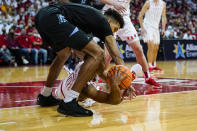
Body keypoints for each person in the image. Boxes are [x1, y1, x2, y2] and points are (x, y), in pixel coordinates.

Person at [35, 2, 125, 117]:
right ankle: (69, 102)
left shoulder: (88, 21)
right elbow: (116, 55)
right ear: (110, 22)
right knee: (97, 53)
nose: (113, 33)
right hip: (54, 16)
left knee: (63, 54)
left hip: (42, 17)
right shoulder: (103, 21)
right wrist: (125, 80)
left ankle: (45, 95)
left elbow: (81, 53)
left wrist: (112, 81)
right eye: (115, 29)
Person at [100, 0, 160, 87]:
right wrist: (114, 3)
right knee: (108, 54)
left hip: (124, 18)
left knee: (138, 49)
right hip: (110, 17)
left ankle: (148, 77)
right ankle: (100, 79)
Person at [55, 62, 141, 111]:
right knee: (103, 88)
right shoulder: (88, 89)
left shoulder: (88, 65)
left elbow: (105, 74)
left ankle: (129, 76)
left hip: (64, 87)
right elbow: (114, 101)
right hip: (67, 94)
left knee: (106, 82)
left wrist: (127, 82)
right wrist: (115, 85)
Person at [138, 0, 167, 71]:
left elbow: (163, 17)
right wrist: (142, 28)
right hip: (147, 26)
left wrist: (163, 29)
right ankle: (149, 65)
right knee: (151, 46)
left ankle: (154, 65)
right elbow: (140, 15)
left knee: (156, 47)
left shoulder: (163, 4)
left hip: (156, 27)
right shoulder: (148, 3)